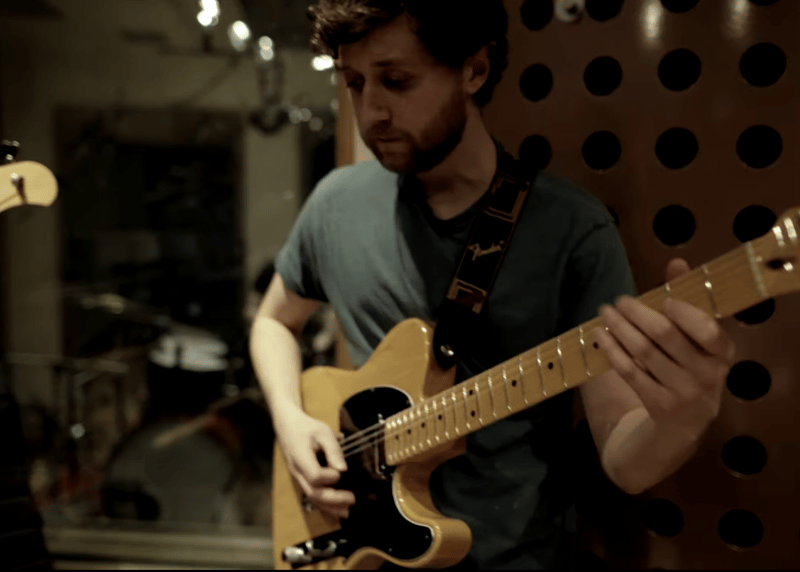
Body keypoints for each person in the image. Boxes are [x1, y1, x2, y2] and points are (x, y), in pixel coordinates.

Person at [249, 1, 735, 569]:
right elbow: (273, 321)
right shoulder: (336, 204)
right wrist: (291, 421)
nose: (371, 111)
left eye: (396, 80)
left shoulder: (572, 231)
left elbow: (624, 460)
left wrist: (682, 418)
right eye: (354, 82)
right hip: (360, 549)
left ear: (474, 70)